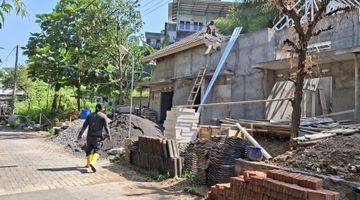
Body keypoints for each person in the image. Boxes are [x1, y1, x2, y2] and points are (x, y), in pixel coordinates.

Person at [77, 103, 111, 173]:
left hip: (89, 136)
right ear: (102, 109)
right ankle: (92, 162)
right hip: (98, 137)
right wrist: (109, 135)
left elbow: (84, 126)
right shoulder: (103, 116)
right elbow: (106, 127)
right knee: (97, 150)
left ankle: (88, 164)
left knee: (89, 149)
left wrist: (80, 134)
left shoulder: (90, 115)